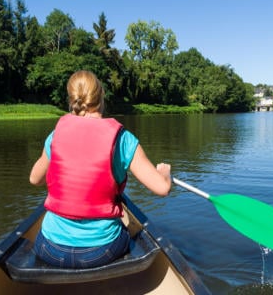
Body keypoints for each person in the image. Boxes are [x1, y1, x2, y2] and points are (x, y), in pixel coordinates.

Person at [29, 70, 171, 269]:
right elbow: (162, 188)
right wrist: (164, 174)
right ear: (102, 94)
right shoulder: (122, 138)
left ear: (71, 99)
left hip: (50, 249)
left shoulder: (56, 134)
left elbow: (35, 179)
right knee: (126, 228)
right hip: (100, 252)